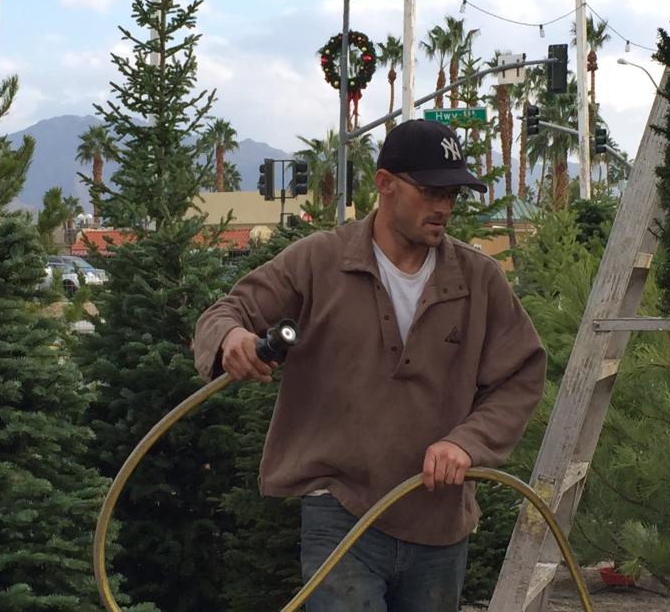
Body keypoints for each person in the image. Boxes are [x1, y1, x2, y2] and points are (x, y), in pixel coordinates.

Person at [193, 119, 546, 611]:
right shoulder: (320, 261)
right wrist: (231, 338)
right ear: (385, 183)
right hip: (340, 512)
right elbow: (224, 313)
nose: (444, 206)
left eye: (453, 193)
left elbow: (521, 374)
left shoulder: (479, 279)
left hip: (438, 522)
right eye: (429, 190)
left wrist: (466, 442)